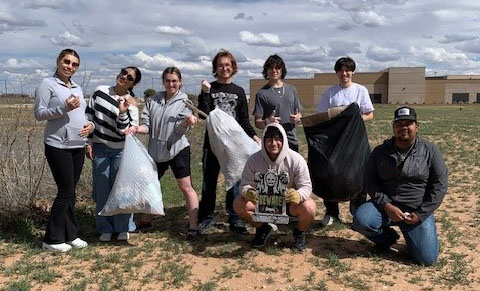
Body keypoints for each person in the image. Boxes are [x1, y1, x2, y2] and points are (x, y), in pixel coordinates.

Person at [353, 107, 448, 266]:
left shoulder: (430, 150)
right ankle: (387, 239)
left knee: (427, 260)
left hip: (416, 210)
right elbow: (369, 182)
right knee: (362, 220)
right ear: (393, 127)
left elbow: (440, 185)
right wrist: (387, 205)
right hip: (385, 207)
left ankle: (415, 237)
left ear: (417, 127)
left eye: (408, 123)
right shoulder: (380, 152)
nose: (404, 127)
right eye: (399, 124)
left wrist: (421, 214)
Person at [126, 67, 200, 243]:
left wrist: (186, 122)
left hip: (177, 149)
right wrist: (136, 129)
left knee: (185, 186)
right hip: (155, 151)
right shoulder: (152, 101)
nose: (171, 84)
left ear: (180, 82)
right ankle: (145, 221)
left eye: (174, 81)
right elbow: (147, 126)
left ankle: (194, 226)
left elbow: (179, 131)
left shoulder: (185, 102)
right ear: (163, 82)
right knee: (149, 184)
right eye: (167, 80)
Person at [197, 49, 261, 234]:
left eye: (227, 65)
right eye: (220, 65)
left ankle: (235, 219)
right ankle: (206, 218)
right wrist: (205, 92)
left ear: (233, 67)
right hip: (213, 145)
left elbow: (243, 120)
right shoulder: (210, 88)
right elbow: (204, 114)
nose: (224, 68)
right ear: (215, 69)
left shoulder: (239, 91)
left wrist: (254, 136)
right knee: (209, 183)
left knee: (234, 182)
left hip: (234, 148)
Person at [34, 49, 93, 252]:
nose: (70, 66)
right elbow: (39, 114)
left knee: (71, 192)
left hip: (77, 144)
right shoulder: (47, 84)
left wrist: (90, 127)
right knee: (65, 191)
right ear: (58, 61)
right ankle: (51, 239)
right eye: (66, 62)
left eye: (74, 64)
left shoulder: (76, 87)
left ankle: (71, 234)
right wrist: (63, 109)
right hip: (57, 145)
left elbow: (83, 114)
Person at [234, 124, 316, 251]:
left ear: (283, 140)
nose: (273, 143)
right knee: (239, 204)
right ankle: (262, 227)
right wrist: (248, 192)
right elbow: (245, 184)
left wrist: (298, 195)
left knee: (310, 207)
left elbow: (306, 187)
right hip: (264, 204)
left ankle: (299, 232)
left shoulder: (296, 160)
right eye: (269, 140)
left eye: (278, 139)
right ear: (264, 141)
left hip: (289, 205)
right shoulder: (254, 160)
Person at [315, 56, 374, 226]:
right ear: (337, 73)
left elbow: (369, 114)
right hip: (335, 142)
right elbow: (322, 115)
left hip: (356, 142)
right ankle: (332, 213)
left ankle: (358, 212)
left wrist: (355, 121)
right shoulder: (330, 93)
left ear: (353, 71)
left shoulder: (360, 90)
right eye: (341, 70)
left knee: (358, 174)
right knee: (331, 175)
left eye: (348, 70)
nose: (344, 73)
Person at [85, 66, 142, 242]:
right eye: (123, 72)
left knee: (121, 189)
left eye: (130, 77)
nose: (124, 77)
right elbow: (89, 117)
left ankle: (123, 227)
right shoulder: (99, 91)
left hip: (121, 150)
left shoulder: (132, 105)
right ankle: (105, 227)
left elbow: (125, 131)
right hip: (100, 147)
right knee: (102, 188)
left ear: (134, 83)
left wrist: (123, 112)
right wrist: (88, 142)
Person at [253, 54, 302, 152]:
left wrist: (298, 118)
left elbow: (299, 114)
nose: (274, 70)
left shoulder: (291, 90)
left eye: (277, 67)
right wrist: (268, 122)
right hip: (273, 143)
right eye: (270, 68)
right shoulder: (261, 94)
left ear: (282, 70)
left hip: (291, 141)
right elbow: (257, 122)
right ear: (266, 71)